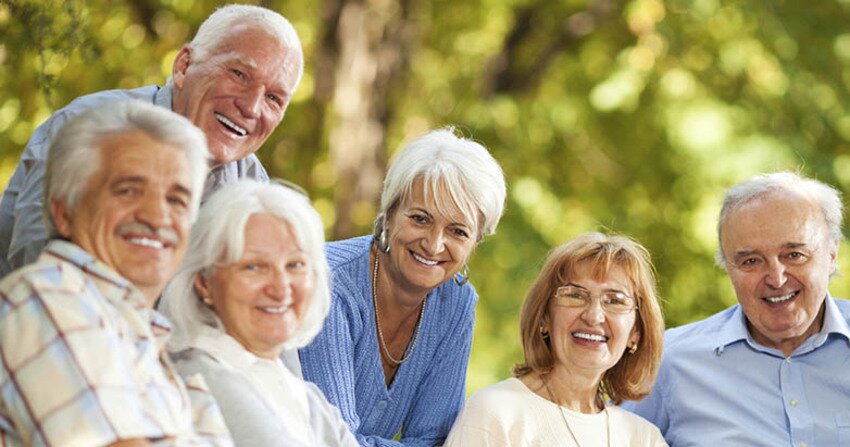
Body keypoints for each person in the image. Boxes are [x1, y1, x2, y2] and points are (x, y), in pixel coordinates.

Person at [624, 171, 850, 446]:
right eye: (751, 260)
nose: (776, 278)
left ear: (832, 254)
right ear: (728, 267)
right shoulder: (672, 361)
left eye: (794, 255)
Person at [0, 4, 304, 276]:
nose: (251, 107)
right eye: (239, 74)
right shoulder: (93, 129)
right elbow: (44, 270)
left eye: (274, 98)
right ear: (184, 65)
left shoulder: (251, 185)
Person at [0, 100, 231, 445]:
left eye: (177, 199)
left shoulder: (151, 341)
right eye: (128, 190)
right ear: (64, 212)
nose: (157, 217)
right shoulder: (49, 296)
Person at [297, 128, 507, 446]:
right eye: (420, 219)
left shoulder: (456, 304)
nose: (435, 244)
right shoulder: (326, 281)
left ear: (475, 242)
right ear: (390, 213)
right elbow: (331, 440)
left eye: (458, 231)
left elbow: (435, 439)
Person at [158, 181, 360, 447]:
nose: (280, 288)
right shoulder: (199, 378)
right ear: (204, 282)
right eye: (254, 267)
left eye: (295, 264)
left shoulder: (304, 395)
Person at [444, 232, 667, 447]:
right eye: (575, 295)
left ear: (636, 331)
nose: (593, 316)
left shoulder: (645, 439)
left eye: (615, 301)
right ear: (544, 317)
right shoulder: (495, 414)